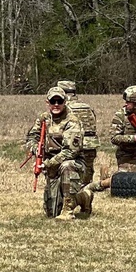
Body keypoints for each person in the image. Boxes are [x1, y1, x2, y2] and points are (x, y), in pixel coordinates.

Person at [24, 87, 89, 220]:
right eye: (53, 101)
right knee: (51, 212)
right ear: (47, 102)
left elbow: (71, 151)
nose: (56, 105)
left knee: (67, 165)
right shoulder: (44, 118)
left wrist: (48, 164)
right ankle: (84, 197)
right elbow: (31, 137)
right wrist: (35, 148)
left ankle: (68, 211)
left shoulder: (72, 121)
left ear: (65, 102)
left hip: (72, 163)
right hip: (51, 166)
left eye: (59, 101)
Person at [57, 79, 100, 194]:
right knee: (87, 174)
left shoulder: (64, 108)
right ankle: (86, 199)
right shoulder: (87, 107)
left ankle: (72, 200)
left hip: (73, 145)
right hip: (91, 144)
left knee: (71, 174)